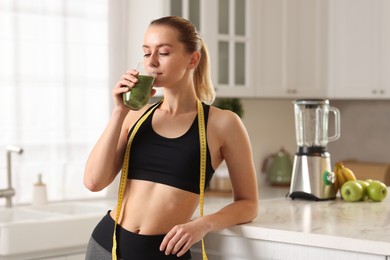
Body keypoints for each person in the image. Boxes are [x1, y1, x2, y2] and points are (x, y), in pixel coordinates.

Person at [84, 16, 258, 260]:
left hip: (164, 253)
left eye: (163, 52)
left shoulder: (223, 123)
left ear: (192, 59)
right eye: (146, 53)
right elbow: (93, 182)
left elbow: (248, 204)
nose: (152, 62)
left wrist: (203, 224)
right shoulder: (135, 116)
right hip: (106, 246)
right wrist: (119, 112)